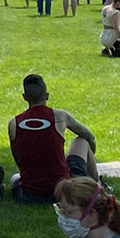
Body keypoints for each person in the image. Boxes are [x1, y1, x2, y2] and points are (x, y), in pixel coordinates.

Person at [8, 73, 98, 204]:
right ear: (47, 96)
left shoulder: (13, 123)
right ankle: (98, 185)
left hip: (29, 195)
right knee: (82, 141)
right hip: (64, 192)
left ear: (25, 97)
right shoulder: (60, 116)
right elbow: (90, 137)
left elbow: (18, 158)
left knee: (14, 178)